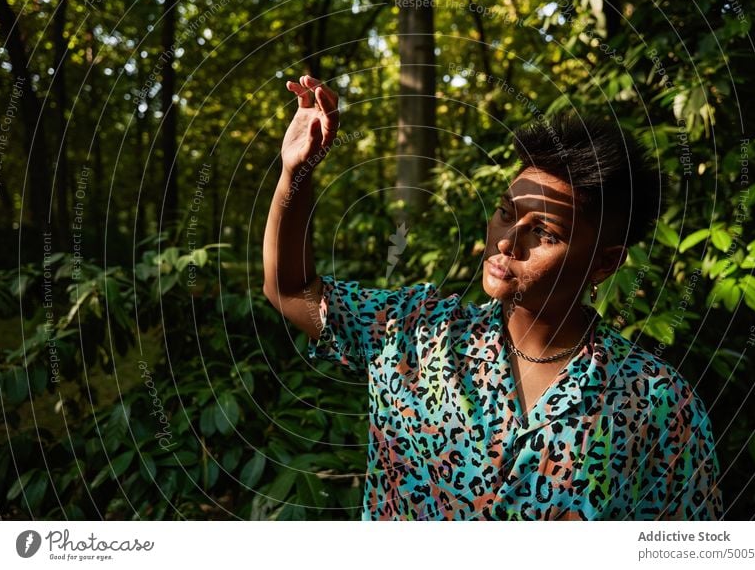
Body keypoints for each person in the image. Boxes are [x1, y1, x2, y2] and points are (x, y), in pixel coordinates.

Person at [263, 75, 723, 521]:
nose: (507, 241)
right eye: (506, 213)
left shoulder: (655, 404)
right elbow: (289, 290)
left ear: (604, 263)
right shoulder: (413, 333)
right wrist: (295, 173)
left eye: (543, 232)